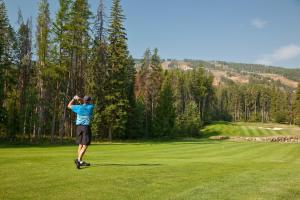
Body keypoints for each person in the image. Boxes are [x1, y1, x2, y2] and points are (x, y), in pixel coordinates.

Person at [67, 95, 94, 169]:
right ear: (89, 101)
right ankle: (78, 160)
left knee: (80, 144)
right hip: (85, 127)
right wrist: (79, 99)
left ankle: (80, 161)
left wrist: (74, 98)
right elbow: (84, 102)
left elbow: (69, 105)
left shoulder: (78, 107)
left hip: (79, 127)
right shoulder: (90, 107)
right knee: (85, 145)